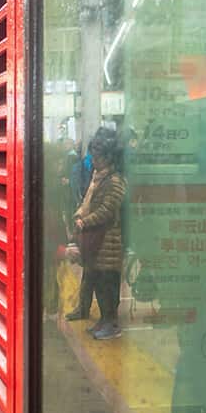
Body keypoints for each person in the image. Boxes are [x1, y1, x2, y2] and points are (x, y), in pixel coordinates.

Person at [66, 128, 127, 340]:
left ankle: (111, 324)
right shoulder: (98, 178)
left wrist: (84, 222)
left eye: (98, 156)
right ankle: (103, 320)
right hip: (98, 242)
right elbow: (89, 203)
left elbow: (107, 210)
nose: (94, 159)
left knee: (108, 285)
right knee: (99, 284)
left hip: (108, 242)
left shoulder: (115, 181)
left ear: (109, 157)